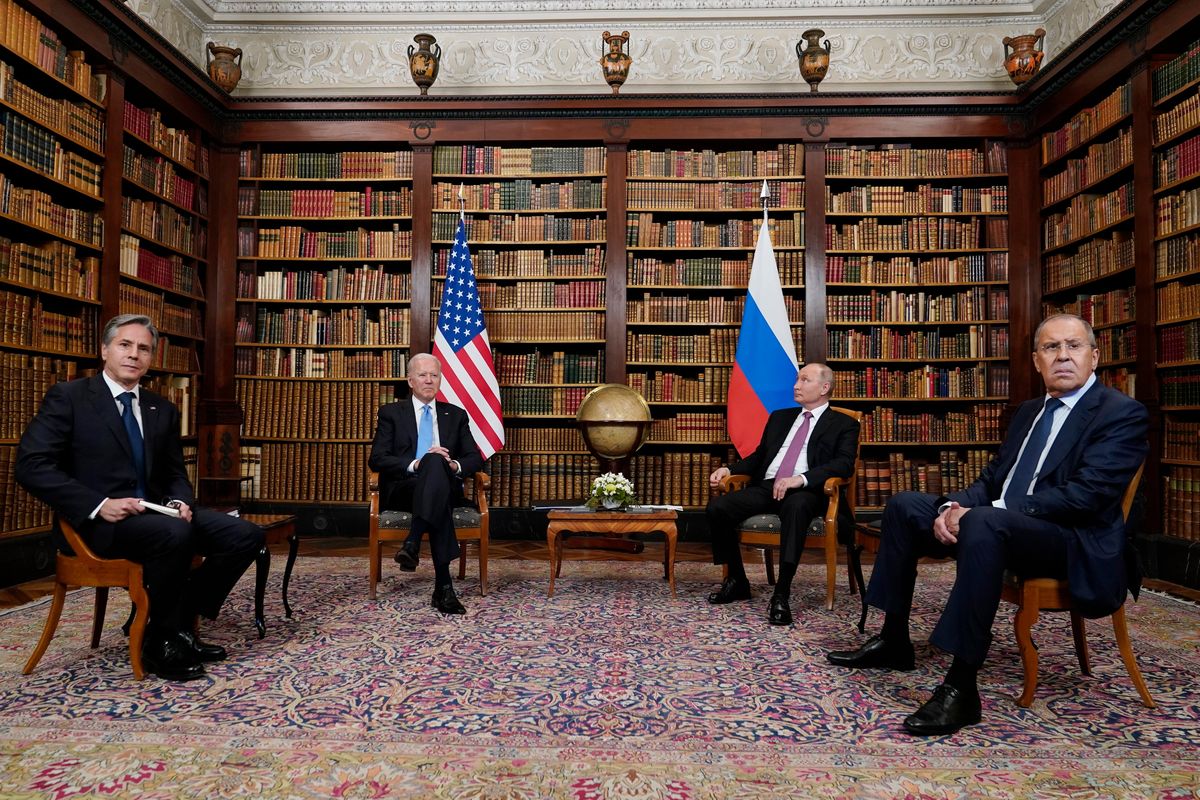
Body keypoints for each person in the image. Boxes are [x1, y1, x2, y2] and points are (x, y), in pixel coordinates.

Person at [826, 313, 1148, 736]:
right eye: (1052, 348)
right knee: (905, 505)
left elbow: (1084, 497)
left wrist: (985, 511)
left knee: (985, 523)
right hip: (1002, 522)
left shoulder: (1120, 413)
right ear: (1036, 361)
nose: (1063, 356)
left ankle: (961, 686)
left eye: (1074, 346)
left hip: (1070, 538)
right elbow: (993, 478)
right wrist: (950, 508)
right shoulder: (1030, 411)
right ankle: (895, 640)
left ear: (1095, 357)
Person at [16, 314, 264, 682]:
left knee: (245, 535)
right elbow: (31, 466)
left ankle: (171, 623)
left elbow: (174, 474)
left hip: (155, 514)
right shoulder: (70, 398)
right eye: (125, 345)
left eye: (143, 348)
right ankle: (161, 643)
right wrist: (100, 504)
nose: (134, 355)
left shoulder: (160, 408)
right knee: (174, 536)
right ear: (105, 350)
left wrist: (181, 501)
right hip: (98, 524)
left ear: (151, 358)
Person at [705, 362, 859, 625]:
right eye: (797, 380)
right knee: (718, 508)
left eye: (804, 380)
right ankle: (737, 581)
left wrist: (799, 479)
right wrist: (728, 469)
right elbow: (759, 457)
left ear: (824, 388)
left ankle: (781, 593)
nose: (796, 386)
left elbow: (844, 464)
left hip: (809, 491)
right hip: (768, 486)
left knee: (796, 507)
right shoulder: (780, 417)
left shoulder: (843, 423)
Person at [369, 353, 483, 615]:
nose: (429, 380)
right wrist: (416, 464)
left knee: (437, 465)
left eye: (434, 375)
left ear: (440, 380)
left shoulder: (455, 415)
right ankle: (444, 587)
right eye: (422, 375)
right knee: (432, 464)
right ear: (410, 380)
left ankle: (412, 542)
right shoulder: (391, 413)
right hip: (404, 489)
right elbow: (377, 458)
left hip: (445, 486)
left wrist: (453, 465)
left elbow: (474, 458)